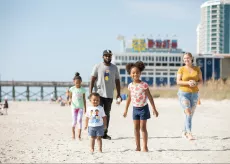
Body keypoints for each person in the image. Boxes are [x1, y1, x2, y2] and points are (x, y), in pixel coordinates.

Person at [123, 61, 159, 152]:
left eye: (137, 72)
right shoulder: (130, 86)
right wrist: (126, 110)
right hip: (135, 109)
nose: (135, 74)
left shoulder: (144, 85)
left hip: (144, 108)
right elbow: (129, 98)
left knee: (143, 128)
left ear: (140, 73)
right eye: (133, 73)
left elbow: (150, 97)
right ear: (130, 74)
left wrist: (154, 109)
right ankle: (138, 146)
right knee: (135, 128)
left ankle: (145, 146)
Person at [89, 49, 121, 140]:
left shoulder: (114, 68)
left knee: (106, 114)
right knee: (97, 113)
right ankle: (95, 132)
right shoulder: (97, 66)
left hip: (109, 95)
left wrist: (118, 94)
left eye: (109, 55)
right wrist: (91, 93)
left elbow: (117, 81)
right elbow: (92, 79)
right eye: (106, 55)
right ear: (103, 56)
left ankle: (104, 133)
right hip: (99, 94)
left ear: (111, 57)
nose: (108, 57)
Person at [177, 52, 203, 140]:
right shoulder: (181, 69)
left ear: (191, 58)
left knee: (190, 115)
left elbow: (201, 81)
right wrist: (188, 82)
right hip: (183, 93)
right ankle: (189, 133)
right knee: (188, 112)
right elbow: (178, 81)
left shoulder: (197, 69)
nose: (186, 60)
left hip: (195, 94)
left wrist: (195, 83)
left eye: (187, 58)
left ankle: (184, 132)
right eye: (184, 58)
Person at [69, 72, 86, 140]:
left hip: (80, 107)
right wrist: (69, 100)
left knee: (79, 120)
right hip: (74, 107)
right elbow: (69, 96)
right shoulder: (72, 89)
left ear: (81, 82)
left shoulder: (83, 89)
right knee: (74, 121)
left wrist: (85, 108)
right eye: (76, 83)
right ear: (74, 82)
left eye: (79, 82)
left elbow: (84, 99)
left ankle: (79, 135)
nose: (77, 84)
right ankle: (73, 135)